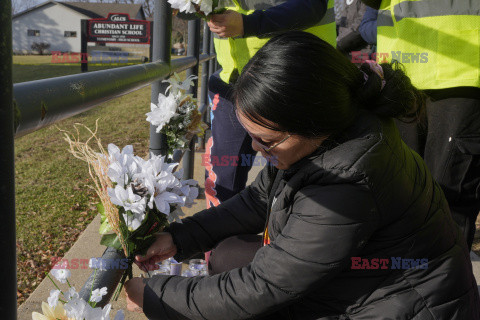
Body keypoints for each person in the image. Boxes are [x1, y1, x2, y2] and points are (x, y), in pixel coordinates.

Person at [124, 32, 480, 319]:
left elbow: (264, 287)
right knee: (228, 255)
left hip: (404, 304)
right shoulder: (332, 129)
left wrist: (152, 294)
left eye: (266, 140)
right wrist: (180, 236)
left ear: (311, 123)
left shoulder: (346, 181)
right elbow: (258, 198)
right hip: (368, 278)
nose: (255, 149)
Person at [362, 0, 480, 250]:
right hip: (402, 73)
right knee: (398, 189)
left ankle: (444, 283)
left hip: (464, 73)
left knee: (447, 195)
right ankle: (406, 278)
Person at [203, 0, 337, 209]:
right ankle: (218, 239)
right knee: (223, 176)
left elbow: (312, 5)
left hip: (293, 81)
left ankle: (284, 236)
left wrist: (248, 24)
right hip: (231, 81)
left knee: (293, 179)